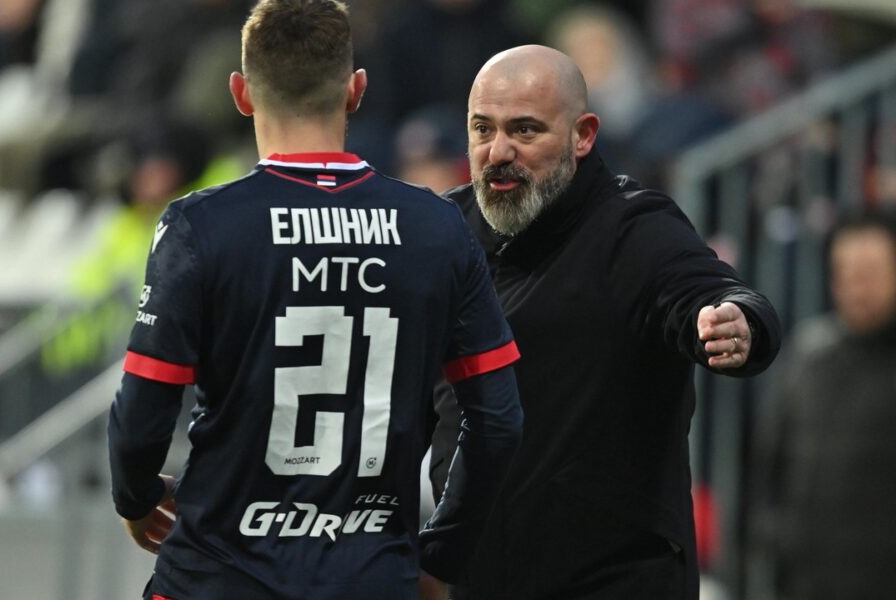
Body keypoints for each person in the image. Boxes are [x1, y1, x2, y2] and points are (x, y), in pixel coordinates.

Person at [107, 2, 524, 599]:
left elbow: (141, 412)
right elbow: (498, 421)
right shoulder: (437, 228)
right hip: (371, 575)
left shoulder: (201, 226)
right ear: (356, 91)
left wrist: (136, 496)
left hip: (217, 575)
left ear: (241, 93)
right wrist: (444, 553)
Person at [429, 45, 781, 599]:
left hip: (616, 581)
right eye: (483, 129)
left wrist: (739, 320)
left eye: (525, 130)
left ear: (583, 135)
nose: (498, 152)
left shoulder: (634, 229)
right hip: (480, 580)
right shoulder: (445, 232)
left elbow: (708, 291)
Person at [751, 211, 896, 600]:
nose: (857, 288)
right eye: (846, 274)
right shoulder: (810, 356)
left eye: (870, 273)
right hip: (806, 583)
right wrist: (771, 539)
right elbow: (770, 464)